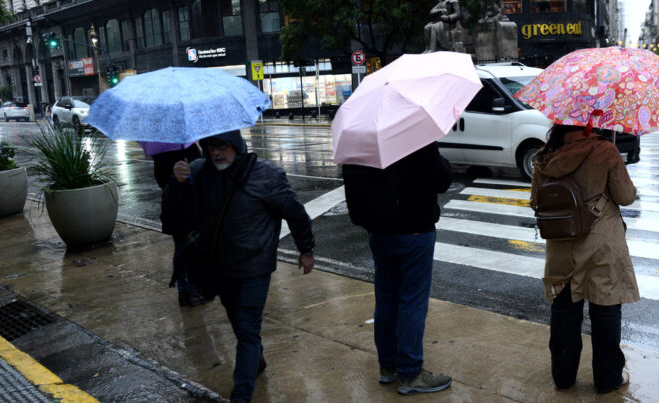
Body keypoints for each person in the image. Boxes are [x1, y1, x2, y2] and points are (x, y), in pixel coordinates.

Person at [163, 130, 315, 403]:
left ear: (236, 146)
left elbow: (295, 212)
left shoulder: (266, 175)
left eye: (223, 147)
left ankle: (241, 394)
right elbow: (173, 218)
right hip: (218, 266)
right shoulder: (198, 171)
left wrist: (306, 249)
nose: (216, 153)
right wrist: (176, 183)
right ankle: (255, 361)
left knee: (246, 329)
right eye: (211, 147)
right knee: (237, 322)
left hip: (254, 266)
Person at [529, 124, 639, 393]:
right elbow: (626, 197)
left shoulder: (545, 156)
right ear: (591, 121)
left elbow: (535, 201)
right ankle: (608, 378)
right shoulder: (605, 150)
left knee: (564, 309)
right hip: (601, 240)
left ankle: (563, 376)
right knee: (606, 307)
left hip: (561, 244)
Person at [342, 143, 453, 395]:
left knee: (386, 300)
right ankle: (411, 372)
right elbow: (442, 179)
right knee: (412, 302)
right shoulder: (414, 135)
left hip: (379, 232)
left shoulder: (361, 137)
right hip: (414, 230)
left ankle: (388, 367)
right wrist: (440, 158)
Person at [149, 142, 208, 307]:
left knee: (193, 248)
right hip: (178, 209)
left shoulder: (187, 147)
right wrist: (177, 178)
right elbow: (162, 181)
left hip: (191, 207)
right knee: (183, 248)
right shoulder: (163, 152)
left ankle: (194, 288)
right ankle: (187, 291)